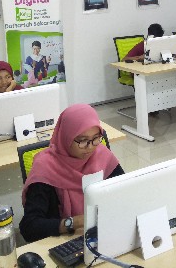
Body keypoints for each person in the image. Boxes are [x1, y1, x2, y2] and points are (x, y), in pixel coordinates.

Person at [19, 104, 123, 243]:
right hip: (62, 242)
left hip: (102, 233)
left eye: (96, 138)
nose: (90, 147)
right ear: (66, 137)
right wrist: (75, 222)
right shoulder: (45, 168)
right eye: (82, 140)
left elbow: (125, 191)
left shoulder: (102, 154)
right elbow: (30, 227)